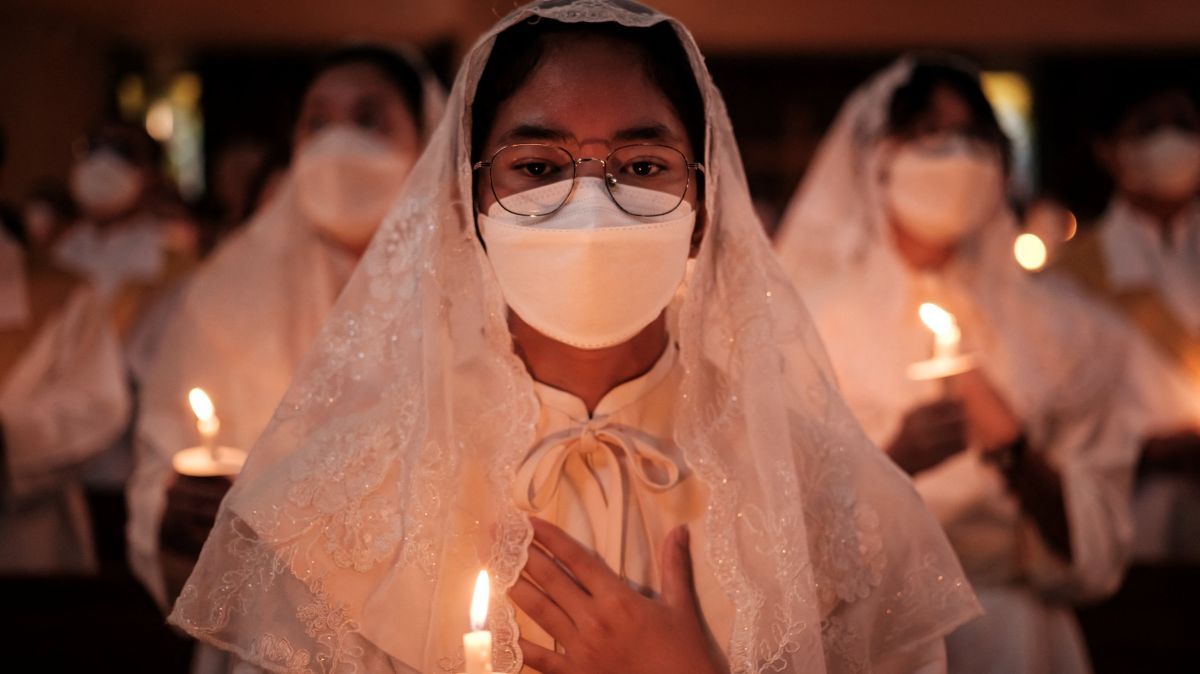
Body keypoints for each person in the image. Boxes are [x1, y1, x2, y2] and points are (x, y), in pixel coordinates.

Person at [169, 4, 980, 673]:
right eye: (537, 165)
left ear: (704, 212)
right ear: (466, 207)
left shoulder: (832, 496)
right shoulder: (342, 503)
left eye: (640, 165)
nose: (589, 205)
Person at [775, 56, 1138, 674]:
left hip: (1018, 634)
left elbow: (1099, 547)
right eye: (931, 135)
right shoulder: (808, 324)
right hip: (878, 637)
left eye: (974, 137)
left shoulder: (1059, 329)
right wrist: (892, 462)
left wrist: (1016, 453)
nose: (957, 157)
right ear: (880, 156)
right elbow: (775, 526)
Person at [127, 44, 444, 614]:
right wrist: (175, 521)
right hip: (265, 628)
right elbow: (163, 459)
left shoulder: (471, 289)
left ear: (427, 140)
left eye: (368, 119)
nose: (337, 142)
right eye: (316, 123)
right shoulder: (227, 294)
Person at [1055, 80, 1200, 562]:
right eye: (1149, 127)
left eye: (1182, 124)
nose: (1170, 139)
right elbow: (1060, 417)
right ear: (1109, 151)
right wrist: (1149, 450)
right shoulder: (1071, 279)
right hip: (1135, 515)